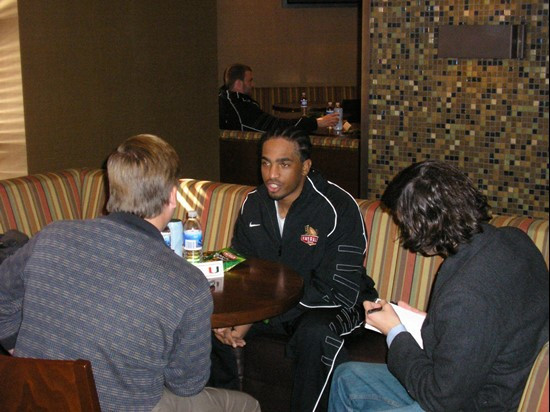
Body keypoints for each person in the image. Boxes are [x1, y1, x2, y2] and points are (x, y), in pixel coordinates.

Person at [0, 134, 260, 412]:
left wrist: (17, 348)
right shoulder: (187, 283)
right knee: (246, 405)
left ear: (113, 189)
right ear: (173, 196)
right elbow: (187, 384)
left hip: (32, 400)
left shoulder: (51, 236)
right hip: (125, 406)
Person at [328, 160, 549, 411]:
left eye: (403, 224)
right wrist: (430, 324)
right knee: (348, 378)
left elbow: (439, 398)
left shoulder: (466, 294)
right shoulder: (514, 240)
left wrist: (394, 332)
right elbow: (488, 325)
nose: (402, 233)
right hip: (482, 379)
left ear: (422, 225)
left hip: (476, 403)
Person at [210, 128, 378, 412]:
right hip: (276, 305)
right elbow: (244, 266)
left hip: (337, 304)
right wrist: (235, 314)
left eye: (284, 164)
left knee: (316, 335)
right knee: (209, 320)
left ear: (306, 167)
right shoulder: (254, 204)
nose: (271, 174)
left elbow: (338, 289)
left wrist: (260, 315)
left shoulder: (338, 207)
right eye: (265, 162)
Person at [219, 63, 339, 133]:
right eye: (250, 81)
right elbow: (276, 127)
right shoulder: (240, 106)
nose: (253, 85)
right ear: (239, 84)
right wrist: (317, 123)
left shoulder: (224, 99)